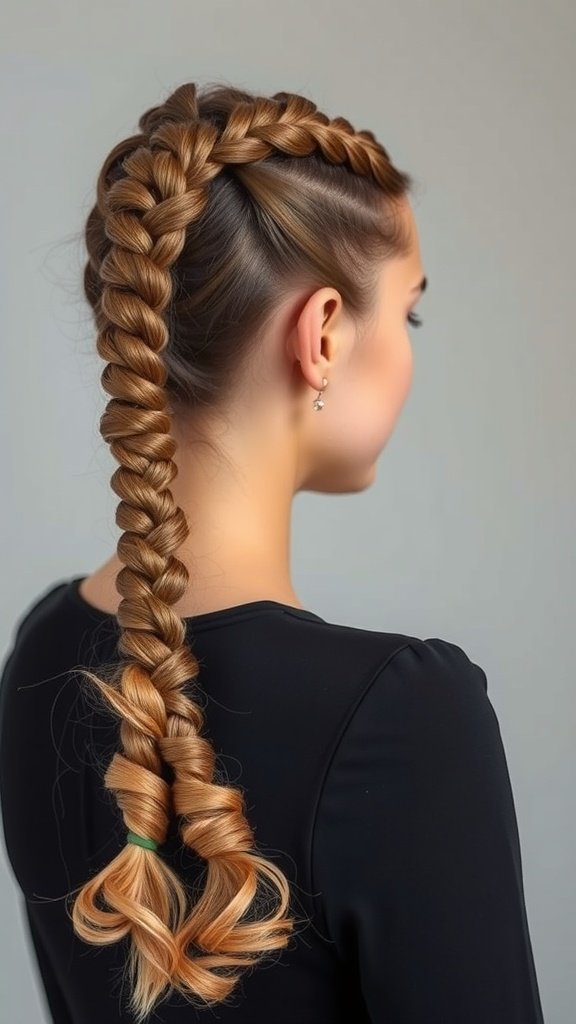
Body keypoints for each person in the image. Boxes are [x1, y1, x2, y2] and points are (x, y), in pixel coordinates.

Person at [0, 81, 545, 1023]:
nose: (412, 349)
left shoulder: (44, 647)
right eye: (408, 314)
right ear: (323, 333)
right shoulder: (402, 721)